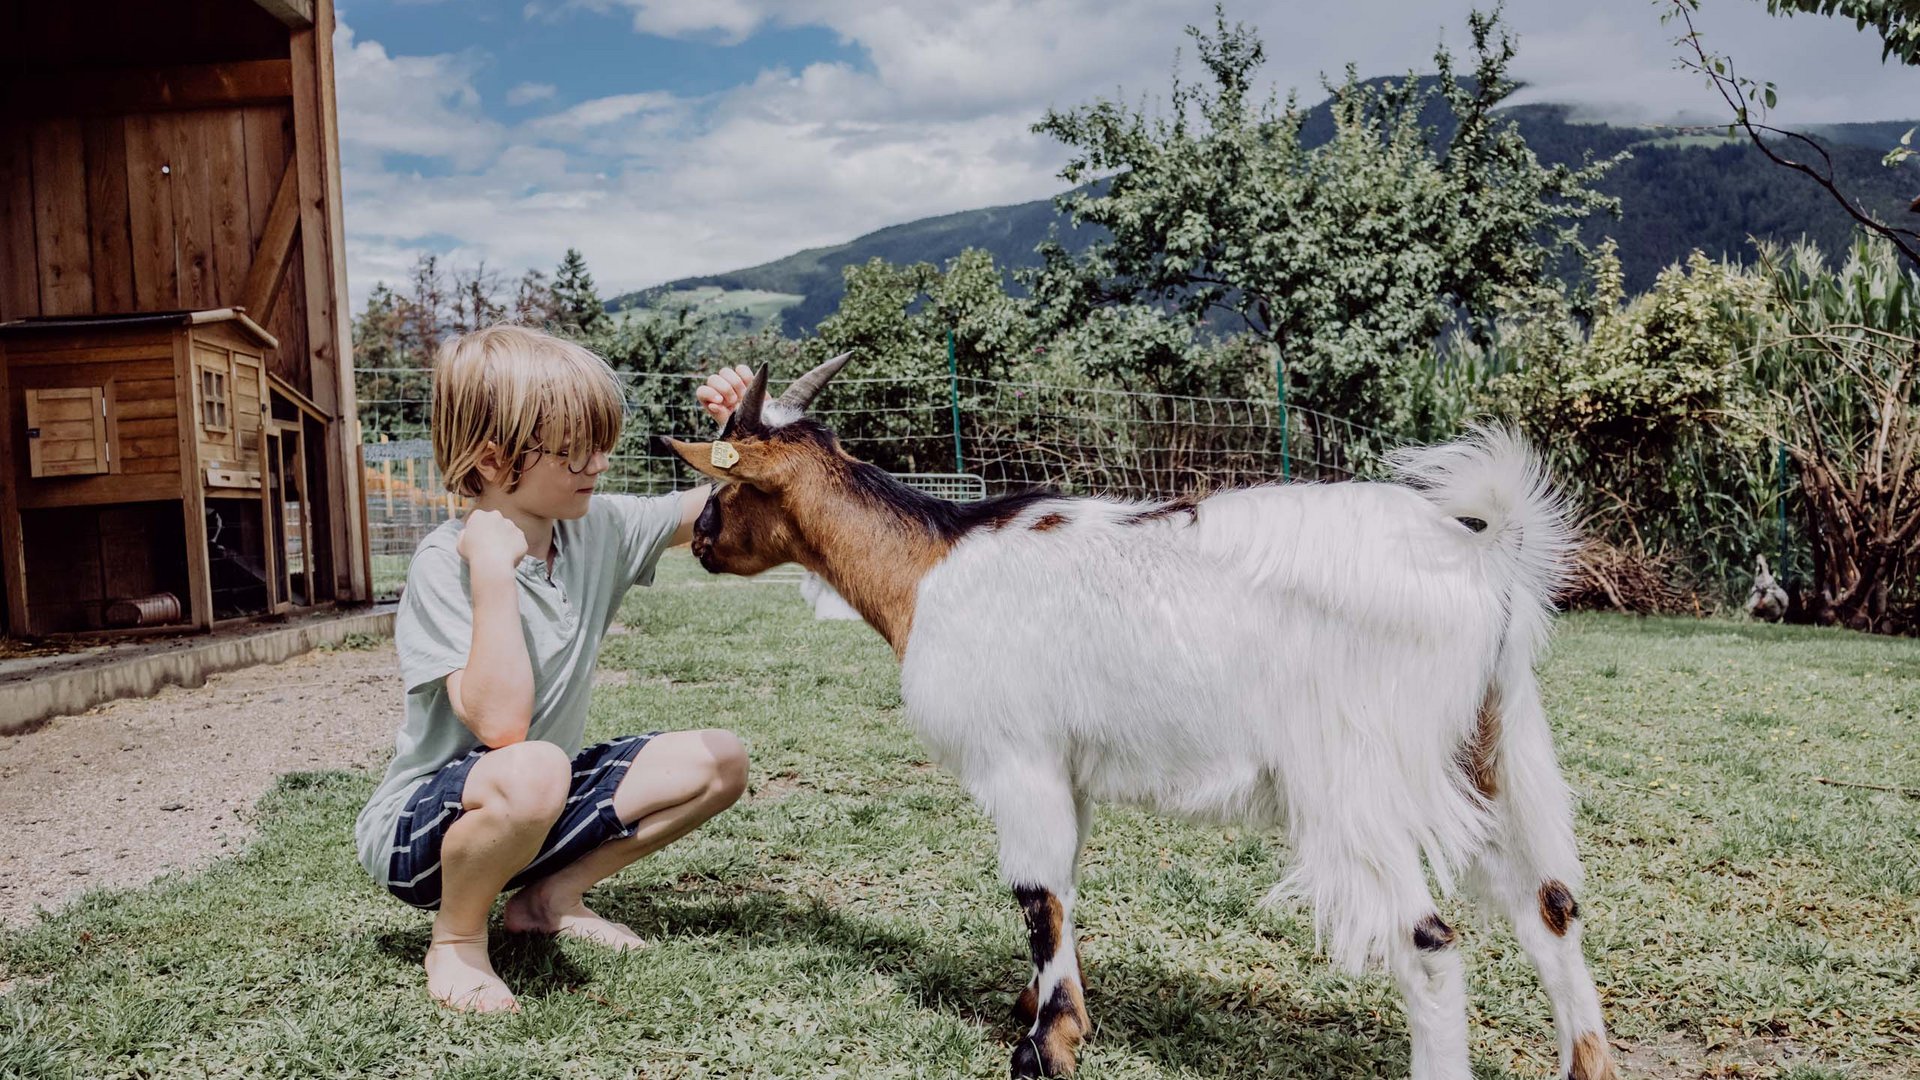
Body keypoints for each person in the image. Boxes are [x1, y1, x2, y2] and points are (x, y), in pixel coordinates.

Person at [352, 324, 755, 1012]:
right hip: (422, 834)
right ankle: (455, 941)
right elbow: (503, 724)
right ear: (491, 457)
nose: (598, 465)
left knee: (722, 760)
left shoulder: (596, 527)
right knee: (535, 763)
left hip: (537, 796)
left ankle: (549, 899)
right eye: (574, 452)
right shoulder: (445, 563)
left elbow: (727, 502)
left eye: (601, 444)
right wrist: (491, 571)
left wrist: (742, 439)